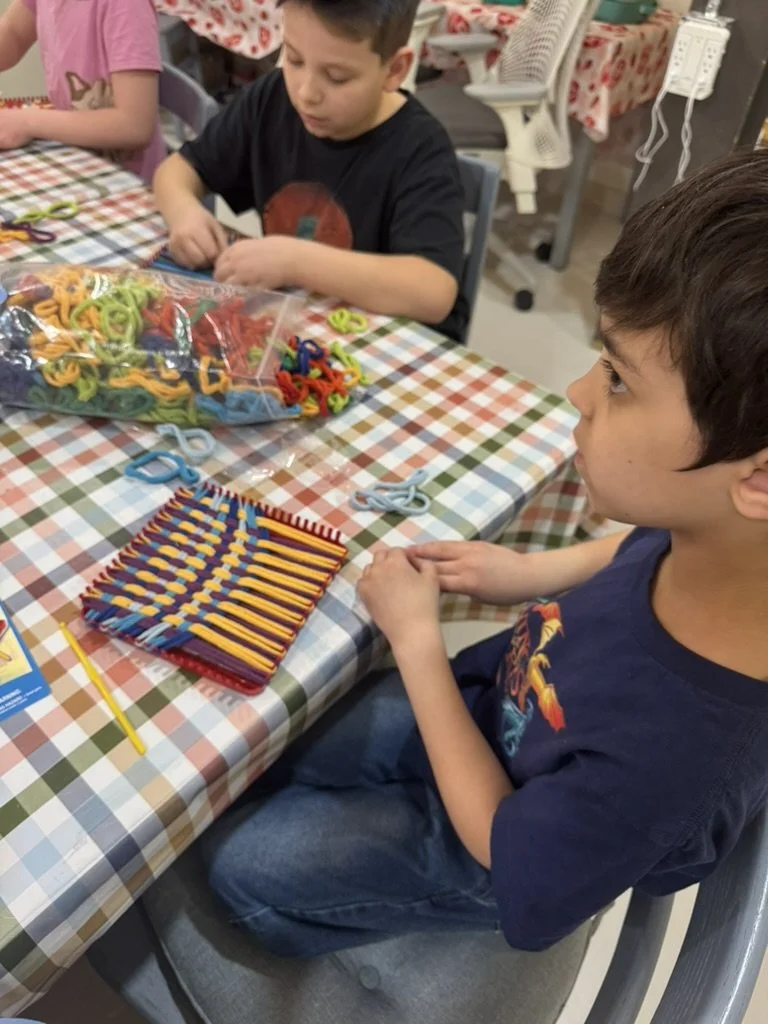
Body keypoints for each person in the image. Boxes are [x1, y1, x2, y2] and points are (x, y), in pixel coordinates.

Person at [200, 148, 768, 957]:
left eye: (617, 379)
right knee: (261, 747)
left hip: (495, 840)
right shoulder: (723, 542)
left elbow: (501, 842)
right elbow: (637, 550)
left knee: (239, 865)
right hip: (491, 714)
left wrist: (418, 642)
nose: (578, 392)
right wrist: (528, 573)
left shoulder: (675, 761)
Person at [153, 0, 467, 341]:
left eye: (336, 77)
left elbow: (433, 291)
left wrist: (294, 262)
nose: (306, 93)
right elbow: (176, 171)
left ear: (394, 70)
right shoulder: (271, 100)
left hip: (385, 347)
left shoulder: (420, 148)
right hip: (298, 328)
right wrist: (184, 213)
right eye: (294, 59)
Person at [0, 0, 165, 183]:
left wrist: (26, 122)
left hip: (125, 181)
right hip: (73, 158)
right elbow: (13, 34)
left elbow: (135, 126)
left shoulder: (126, 5)